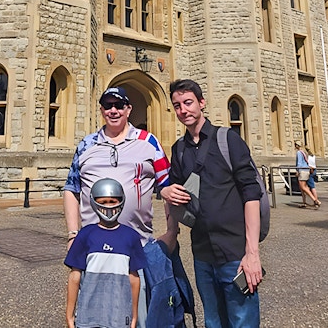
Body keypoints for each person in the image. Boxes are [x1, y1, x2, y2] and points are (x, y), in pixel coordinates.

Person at [63, 86, 178, 327]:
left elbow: (167, 187)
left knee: (139, 315)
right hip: (94, 247)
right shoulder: (86, 145)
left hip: (138, 245)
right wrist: (73, 234)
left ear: (129, 109)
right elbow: (72, 189)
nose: (113, 110)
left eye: (119, 105)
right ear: (101, 109)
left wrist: (172, 232)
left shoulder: (149, 142)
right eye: (107, 105)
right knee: (94, 313)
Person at [161, 79, 263, 328]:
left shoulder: (228, 140)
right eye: (177, 105)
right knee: (213, 321)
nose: (183, 110)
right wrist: (166, 193)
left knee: (242, 321)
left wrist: (252, 254)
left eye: (188, 103)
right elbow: (174, 190)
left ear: (201, 102)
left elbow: (251, 194)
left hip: (234, 252)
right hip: (203, 253)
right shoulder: (179, 149)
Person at [65, 178, 146, 328]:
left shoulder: (131, 236)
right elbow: (74, 277)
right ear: (94, 202)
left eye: (112, 201)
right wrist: (69, 315)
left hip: (119, 314)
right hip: (88, 315)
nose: (108, 207)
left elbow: (134, 279)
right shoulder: (85, 235)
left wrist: (134, 316)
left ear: (121, 201)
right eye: (103, 202)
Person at [295, 141, 321, 208]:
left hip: (302, 170)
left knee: (303, 187)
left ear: (297, 145)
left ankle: (315, 200)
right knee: (303, 187)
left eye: (295, 145)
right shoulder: (304, 152)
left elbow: (299, 163)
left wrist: (298, 171)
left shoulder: (299, 152)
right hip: (306, 170)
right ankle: (304, 202)